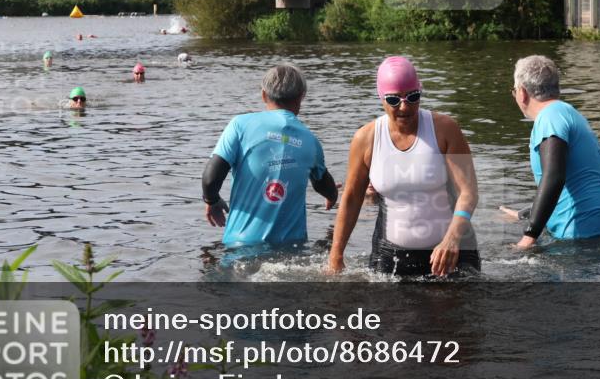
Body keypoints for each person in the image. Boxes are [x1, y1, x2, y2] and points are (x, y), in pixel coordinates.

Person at [328, 56, 480, 277]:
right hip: (392, 253)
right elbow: (351, 198)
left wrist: (452, 238)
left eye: (413, 97)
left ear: (420, 92)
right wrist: (336, 256)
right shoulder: (366, 139)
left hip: (452, 250)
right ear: (381, 98)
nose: (404, 107)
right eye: (393, 99)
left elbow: (469, 191)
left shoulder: (445, 129)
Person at [201, 64, 338, 248]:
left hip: (240, 245)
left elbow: (210, 179)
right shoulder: (310, 141)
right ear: (301, 97)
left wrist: (212, 200)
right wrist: (332, 195)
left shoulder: (240, 125)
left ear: (263, 94)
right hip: (291, 249)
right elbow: (325, 186)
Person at [500, 55, 600, 248]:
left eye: (514, 90)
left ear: (522, 93)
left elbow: (554, 176)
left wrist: (528, 236)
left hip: (580, 235)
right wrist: (523, 214)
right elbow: (571, 182)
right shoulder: (566, 113)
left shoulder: (549, 118)